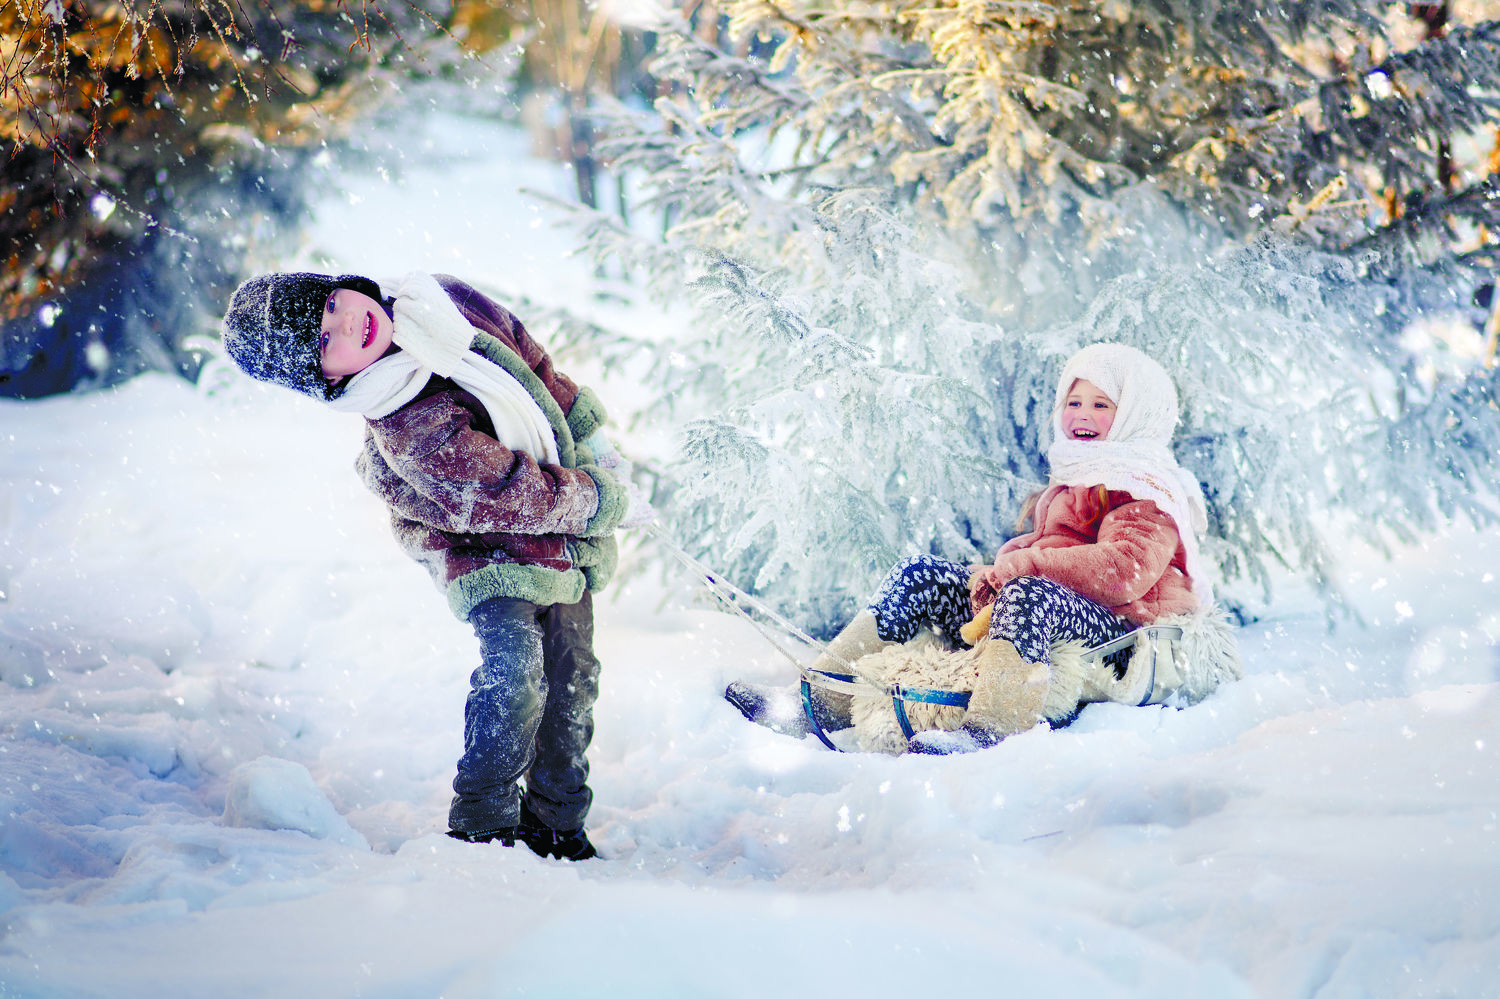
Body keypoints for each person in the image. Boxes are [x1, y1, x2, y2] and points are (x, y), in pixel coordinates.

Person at [221, 269, 647, 857]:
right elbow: (506, 493)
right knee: (517, 675)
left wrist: (589, 439)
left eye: (332, 302)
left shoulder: (442, 303)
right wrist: (598, 500)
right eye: (323, 339)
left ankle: (555, 821)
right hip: (479, 548)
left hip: (558, 525)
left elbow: (534, 366)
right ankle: (482, 823)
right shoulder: (407, 424)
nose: (346, 321)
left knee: (573, 674)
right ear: (327, 378)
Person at [725, 342, 1212, 753]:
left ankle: (991, 729)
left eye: (1101, 405)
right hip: (1057, 608)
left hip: (1119, 635)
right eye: (1074, 401)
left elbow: (1123, 569)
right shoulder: (1077, 474)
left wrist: (1021, 567)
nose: (1082, 414)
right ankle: (818, 703)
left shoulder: (1146, 487)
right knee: (920, 575)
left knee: (1029, 593)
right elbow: (1055, 556)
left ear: (1136, 414)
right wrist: (994, 575)